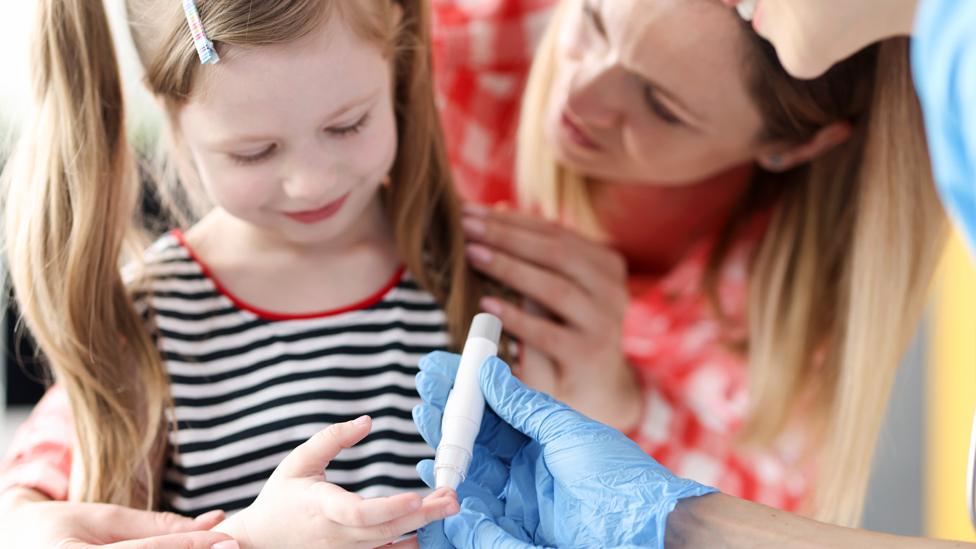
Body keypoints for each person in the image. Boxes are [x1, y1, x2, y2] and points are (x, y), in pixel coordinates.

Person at [411, 0, 976, 546]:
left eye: (661, 105)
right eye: (592, 21)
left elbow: (759, 512)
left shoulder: (783, 333)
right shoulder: (465, 35)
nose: (579, 93)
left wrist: (622, 407)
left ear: (789, 147)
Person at [0, 0, 479, 546]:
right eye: (255, 153)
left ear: (398, 48)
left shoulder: (475, 272)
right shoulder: (149, 317)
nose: (311, 183)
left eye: (348, 125)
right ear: (169, 111)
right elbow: (30, 507)